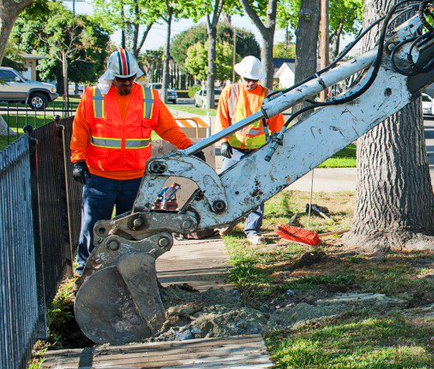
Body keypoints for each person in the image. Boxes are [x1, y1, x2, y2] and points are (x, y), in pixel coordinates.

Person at [71, 49, 200, 275]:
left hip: (135, 179)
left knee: (132, 231)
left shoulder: (149, 98)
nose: (126, 84)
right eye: (121, 80)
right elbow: (80, 129)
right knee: (93, 226)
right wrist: (78, 159)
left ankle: (127, 271)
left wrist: (189, 147)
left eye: (130, 79)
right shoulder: (93, 96)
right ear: (111, 77)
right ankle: (85, 270)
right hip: (100, 177)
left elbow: (168, 128)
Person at [215, 56, 284, 244]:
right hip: (234, 149)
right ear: (240, 77)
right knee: (225, 185)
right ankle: (227, 220)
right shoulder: (230, 92)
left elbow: (277, 124)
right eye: (247, 79)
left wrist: (275, 143)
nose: (250, 83)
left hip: (258, 150)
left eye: (254, 80)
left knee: (257, 189)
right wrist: (224, 142)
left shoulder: (267, 96)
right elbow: (222, 118)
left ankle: (252, 229)